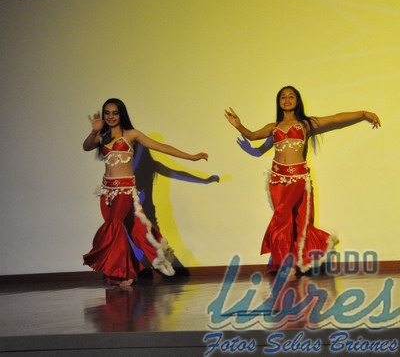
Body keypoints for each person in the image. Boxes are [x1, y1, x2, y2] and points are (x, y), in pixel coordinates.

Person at [224, 86, 380, 279]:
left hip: (298, 177)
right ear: (279, 102)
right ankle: (287, 263)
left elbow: (335, 119)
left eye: (291, 96)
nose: (287, 100)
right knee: (283, 219)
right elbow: (253, 136)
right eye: (283, 97)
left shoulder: (305, 124)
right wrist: (238, 125)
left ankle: (291, 263)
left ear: (297, 101)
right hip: (277, 178)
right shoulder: (273, 126)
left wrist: (364, 113)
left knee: (296, 221)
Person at [83, 98, 208, 287]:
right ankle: (126, 270)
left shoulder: (131, 134)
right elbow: (86, 147)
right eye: (107, 113)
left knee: (114, 227)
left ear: (121, 114)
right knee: (125, 230)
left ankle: (125, 273)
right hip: (106, 191)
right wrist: (94, 131)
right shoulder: (103, 136)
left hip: (124, 190)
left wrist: (191, 157)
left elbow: (162, 147)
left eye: (115, 113)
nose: (110, 116)